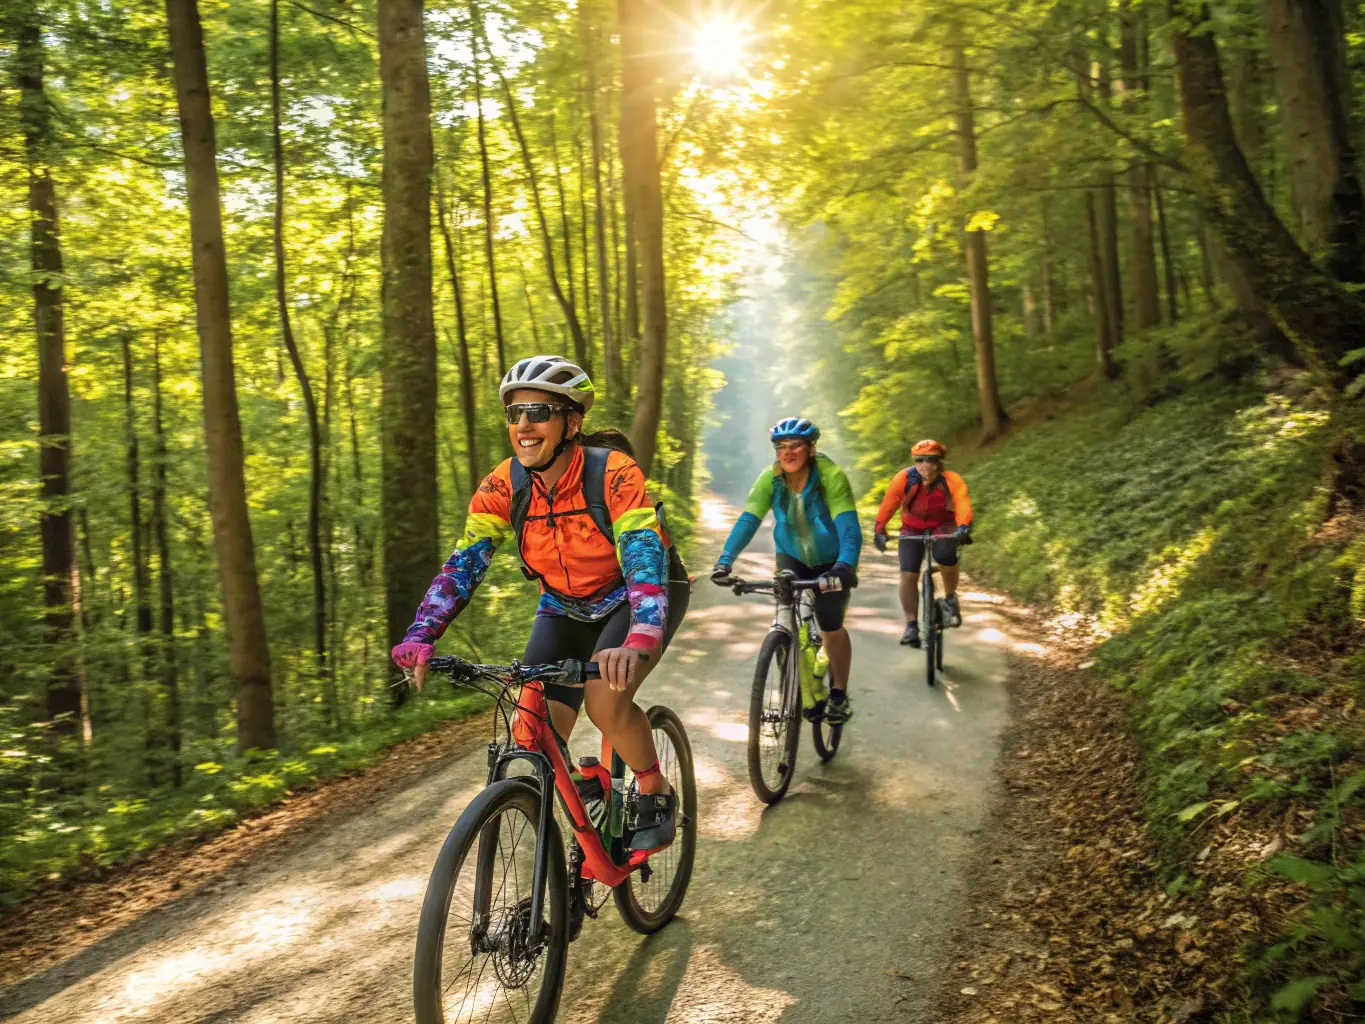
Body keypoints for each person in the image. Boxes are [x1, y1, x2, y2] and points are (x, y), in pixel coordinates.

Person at [391, 355, 685, 851]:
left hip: (636, 598)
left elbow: (642, 552)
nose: (523, 424)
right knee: (529, 727)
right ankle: (583, 785)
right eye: (514, 414)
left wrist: (640, 636)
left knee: (605, 703)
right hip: (564, 604)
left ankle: (654, 788)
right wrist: (422, 633)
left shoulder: (613, 473)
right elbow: (463, 564)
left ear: (572, 422)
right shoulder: (502, 486)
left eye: (537, 411)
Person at [711, 417, 862, 724]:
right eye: (782, 447)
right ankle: (793, 670)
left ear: (811, 449)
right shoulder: (771, 478)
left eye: (796, 446)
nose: (788, 453)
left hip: (832, 560)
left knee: (831, 627)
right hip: (791, 556)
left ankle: (838, 694)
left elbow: (849, 528)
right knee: (785, 618)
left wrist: (844, 565)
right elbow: (749, 519)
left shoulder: (829, 476)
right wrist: (725, 560)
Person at [873, 439, 973, 647]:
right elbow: (889, 504)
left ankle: (950, 596)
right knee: (908, 573)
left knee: (946, 556)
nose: (925, 464)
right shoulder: (904, 479)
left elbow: (962, 503)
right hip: (912, 526)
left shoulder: (951, 480)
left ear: (939, 462)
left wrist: (963, 526)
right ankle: (911, 625)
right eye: (920, 460)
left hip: (943, 525)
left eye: (931, 460)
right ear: (915, 461)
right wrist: (880, 529)